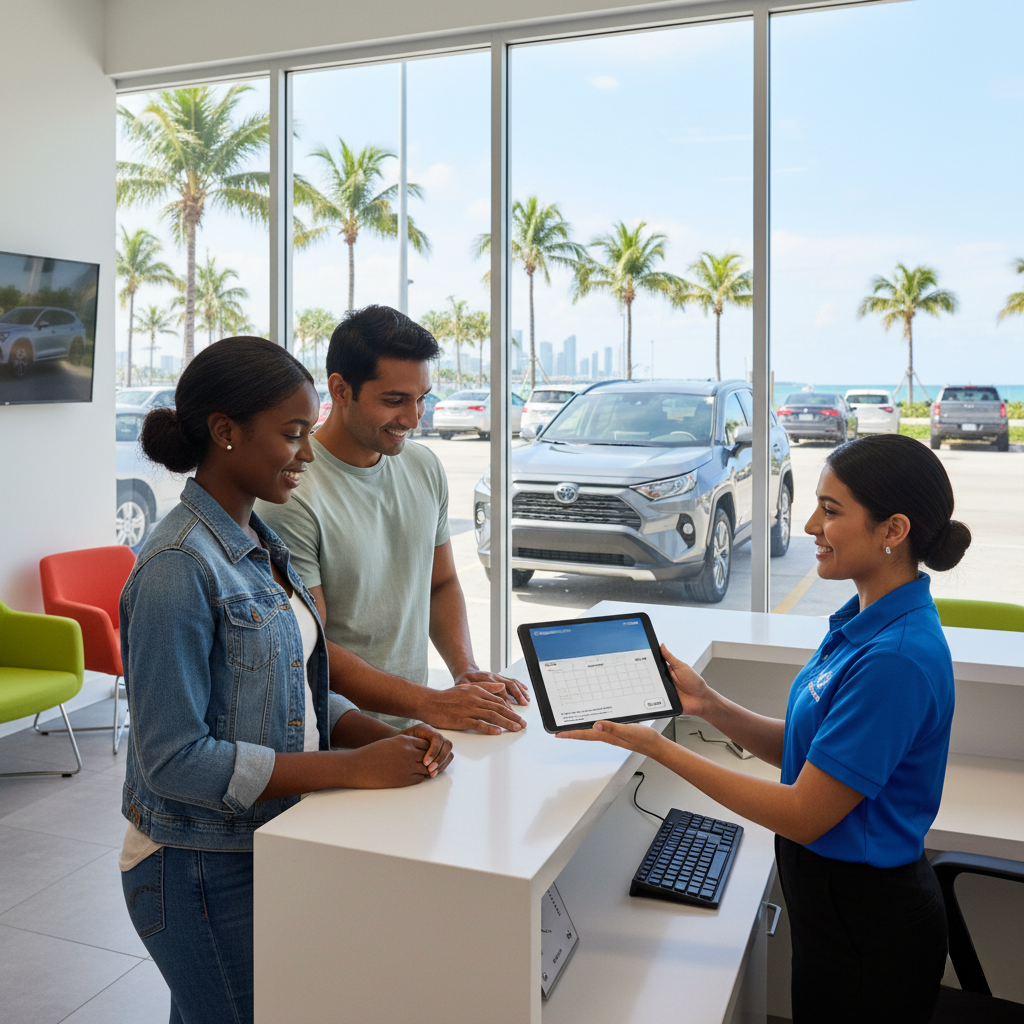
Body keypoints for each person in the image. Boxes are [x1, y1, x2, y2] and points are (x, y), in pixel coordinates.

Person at [560, 433, 971, 1024]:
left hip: (866, 926)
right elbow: (814, 751)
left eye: (831, 512)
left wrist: (653, 745)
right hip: (833, 905)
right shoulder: (864, 621)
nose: (808, 525)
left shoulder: (895, 659)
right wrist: (708, 705)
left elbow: (806, 810)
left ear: (893, 530)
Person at [118, 336, 453, 1024]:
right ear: (226, 432)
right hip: (196, 865)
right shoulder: (177, 567)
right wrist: (350, 768)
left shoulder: (261, 548)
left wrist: (382, 734)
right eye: (293, 434)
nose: (307, 453)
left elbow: (292, 691)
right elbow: (173, 760)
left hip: (261, 842)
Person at [257, 305, 529, 735]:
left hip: (414, 725)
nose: (414, 418)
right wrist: (433, 704)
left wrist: (466, 670)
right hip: (331, 734)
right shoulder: (290, 494)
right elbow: (310, 644)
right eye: (395, 400)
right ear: (340, 390)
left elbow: (440, 584)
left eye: (421, 398)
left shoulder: (424, 467)